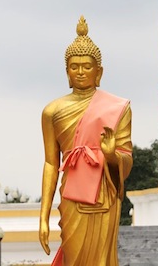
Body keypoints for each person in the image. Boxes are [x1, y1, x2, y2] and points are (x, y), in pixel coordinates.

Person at [39, 16, 133, 266]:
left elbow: (126, 158)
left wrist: (111, 154)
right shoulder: (53, 111)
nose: (80, 72)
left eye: (87, 66)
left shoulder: (117, 108)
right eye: (74, 66)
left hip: (105, 193)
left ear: (99, 72)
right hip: (72, 195)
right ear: (67, 72)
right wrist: (43, 216)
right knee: (74, 256)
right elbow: (50, 163)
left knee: (102, 259)